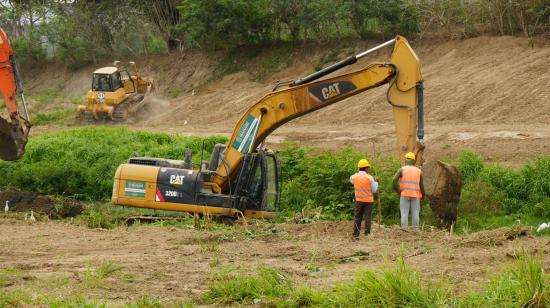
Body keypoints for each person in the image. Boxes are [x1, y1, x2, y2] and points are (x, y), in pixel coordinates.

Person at [393, 152, 425, 229]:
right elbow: (421, 185)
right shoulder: (419, 171)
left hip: (404, 195)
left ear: (406, 160)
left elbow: (394, 180)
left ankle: (404, 230)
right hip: (415, 195)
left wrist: (398, 190)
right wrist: (423, 195)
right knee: (415, 214)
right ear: (414, 161)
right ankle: (416, 230)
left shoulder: (402, 170)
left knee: (404, 214)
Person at [350, 159, 379, 239]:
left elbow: (351, 181)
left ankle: (355, 234)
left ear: (359, 168)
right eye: (368, 167)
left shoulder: (354, 177)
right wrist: (376, 182)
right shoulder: (370, 178)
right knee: (367, 217)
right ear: (366, 168)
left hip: (358, 200)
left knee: (357, 217)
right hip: (368, 201)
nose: (369, 169)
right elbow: (374, 190)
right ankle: (367, 234)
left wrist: (357, 173)